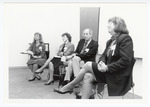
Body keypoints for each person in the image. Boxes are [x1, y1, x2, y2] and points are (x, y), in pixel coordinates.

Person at [54, 16, 135, 99]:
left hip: (117, 74)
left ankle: (70, 85)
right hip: (108, 72)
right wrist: (101, 62)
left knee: (88, 64)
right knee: (87, 76)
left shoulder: (125, 38)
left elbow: (125, 60)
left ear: (117, 25)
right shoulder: (110, 41)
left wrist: (107, 67)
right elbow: (103, 56)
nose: (107, 26)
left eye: (110, 24)